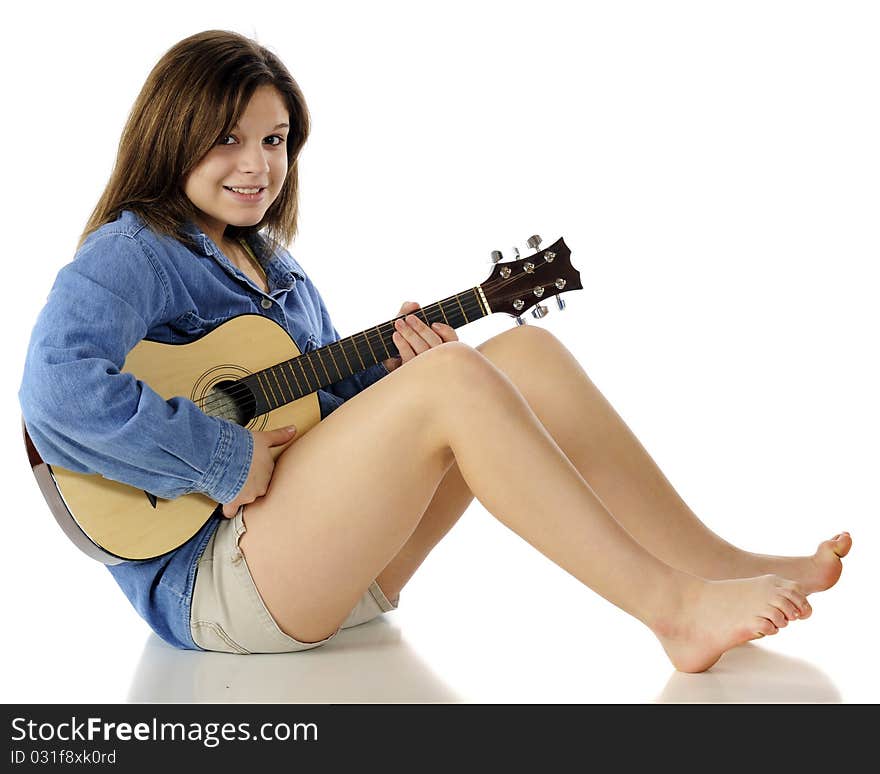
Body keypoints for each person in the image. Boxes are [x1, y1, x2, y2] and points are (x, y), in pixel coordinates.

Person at [18, 29, 851, 674]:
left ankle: (713, 563)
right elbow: (54, 391)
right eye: (229, 139)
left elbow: (313, 432)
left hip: (335, 574)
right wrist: (224, 459)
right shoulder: (137, 249)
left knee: (525, 351)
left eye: (275, 141)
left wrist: (388, 379)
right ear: (175, 135)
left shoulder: (280, 271)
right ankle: (673, 611)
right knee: (455, 380)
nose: (257, 165)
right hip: (219, 589)